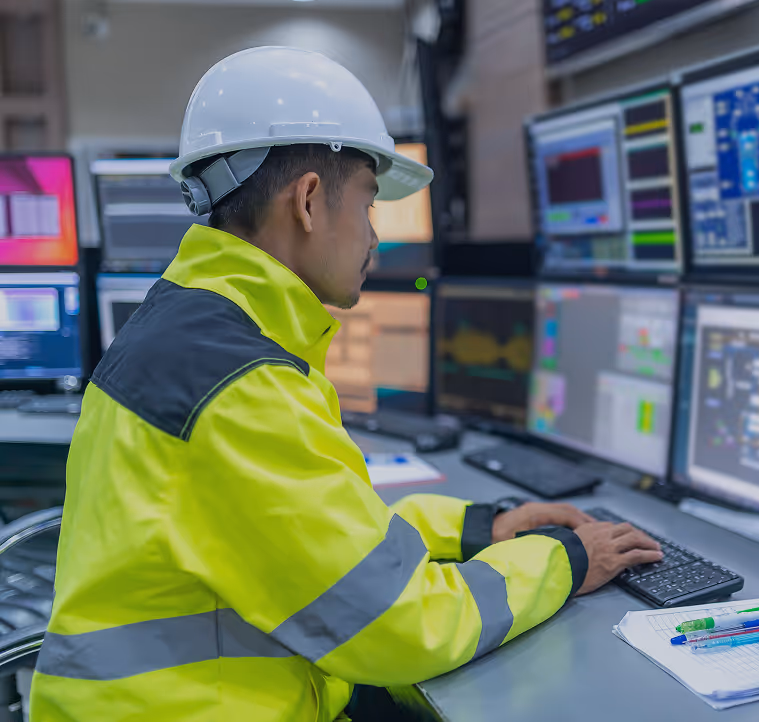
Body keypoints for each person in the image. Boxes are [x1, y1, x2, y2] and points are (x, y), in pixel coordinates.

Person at [29, 47, 662, 721]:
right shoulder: (238, 385)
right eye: (367, 205)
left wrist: (481, 528)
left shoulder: (191, 329)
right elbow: (401, 627)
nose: (372, 238)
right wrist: (563, 559)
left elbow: (321, 541)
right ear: (307, 201)